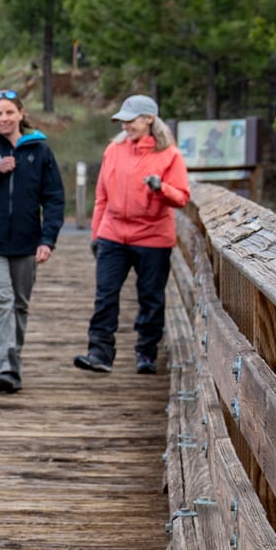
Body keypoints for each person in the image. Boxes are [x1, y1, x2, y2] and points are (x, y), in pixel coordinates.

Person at [74, 94, 191, 375]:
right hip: (113, 234)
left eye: (130, 121)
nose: (125, 126)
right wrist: (96, 234)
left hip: (152, 236)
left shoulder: (169, 155)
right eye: (122, 121)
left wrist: (160, 187)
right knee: (105, 294)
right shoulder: (114, 150)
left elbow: (182, 197)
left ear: (149, 119)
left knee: (151, 296)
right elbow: (101, 195)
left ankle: (146, 352)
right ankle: (99, 352)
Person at [0, 91, 65, 393]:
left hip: (27, 243)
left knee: (20, 304)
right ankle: (6, 366)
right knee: (2, 301)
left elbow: (54, 199)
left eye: (9, 113)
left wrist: (48, 239)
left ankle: (13, 362)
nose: (4, 118)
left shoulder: (40, 152)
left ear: (20, 113)